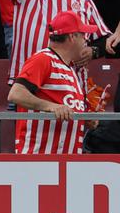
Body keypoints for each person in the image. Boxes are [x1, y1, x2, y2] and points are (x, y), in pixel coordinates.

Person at [8, 10, 92, 154]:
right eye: (83, 35)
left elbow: (65, 106)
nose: (86, 41)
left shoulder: (70, 68)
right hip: (39, 158)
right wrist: (52, 106)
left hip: (65, 161)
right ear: (72, 37)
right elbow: (16, 94)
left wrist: (84, 119)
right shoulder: (43, 59)